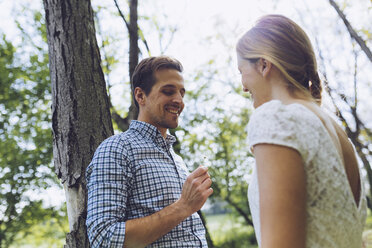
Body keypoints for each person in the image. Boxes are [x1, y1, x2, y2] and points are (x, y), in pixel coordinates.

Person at [236, 14, 367, 248]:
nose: (243, 86)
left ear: (264, 65)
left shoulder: (275, 118)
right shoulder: (333, 127)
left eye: (241, 71)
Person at [86, 56, 213, 248]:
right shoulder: (116, 149)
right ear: (140, 96)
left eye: (182, 93)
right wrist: (183, 207)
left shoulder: (176, 158)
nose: (179, 101)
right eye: (168, 91)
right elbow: (103, 237)